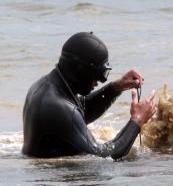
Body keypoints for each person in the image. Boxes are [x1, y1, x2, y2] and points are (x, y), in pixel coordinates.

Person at [22, 32, 157, 160]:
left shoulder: (46, 87)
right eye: (98, 74)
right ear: (81, 70)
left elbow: (78, 115)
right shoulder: (58, 107)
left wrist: (116, 87)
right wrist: (137, 120)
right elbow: (104, 157)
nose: (99, 81)